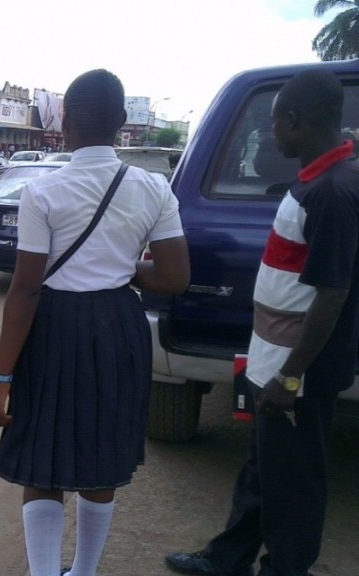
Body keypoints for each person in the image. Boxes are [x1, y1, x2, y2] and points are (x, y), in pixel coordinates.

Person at [0, 69, 190, 576]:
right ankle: (84, 571)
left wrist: (0, 377)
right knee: (102, 457)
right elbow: (174, 277)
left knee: (42, 457)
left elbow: (26, 289)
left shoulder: (43, 191)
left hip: (53, 328)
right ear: (120, 122)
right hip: (118, 326)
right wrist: (120, 266)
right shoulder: (154, 189)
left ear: (65, 122)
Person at [166, 69, 359, 576]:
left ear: (294, 120)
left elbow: (333, 294)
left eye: (273, 123)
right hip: (274, 357)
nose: (272, 133)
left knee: (295, 481)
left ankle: (285, 569)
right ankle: (227, 559)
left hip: (297, 371)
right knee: (265, 466)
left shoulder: (334, 191)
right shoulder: (317, 179)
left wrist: (290, 377)